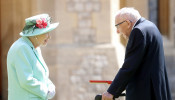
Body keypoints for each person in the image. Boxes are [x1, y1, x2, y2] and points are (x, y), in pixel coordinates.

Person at [102, 7, 172, 100]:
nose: (117, 31)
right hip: (156, 90)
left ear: (127, 23)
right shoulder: (150, 26)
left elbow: (129, 66)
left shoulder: (138, 31)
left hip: (145, 93)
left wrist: (111, 91)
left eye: (118, 26)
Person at [7, 14, 59, 100]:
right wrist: (45, 92)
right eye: (46, 33)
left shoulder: (35, 47)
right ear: (35, 34)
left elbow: (41, 76)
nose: (49, 37)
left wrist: (50, 86)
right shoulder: (21, 48)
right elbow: (26, 80)